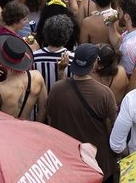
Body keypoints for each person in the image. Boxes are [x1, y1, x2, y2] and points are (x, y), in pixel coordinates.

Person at [46, 44, 119, 183]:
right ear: (94, 64)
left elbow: (50, 120)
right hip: (98, 164)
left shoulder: (56, 89)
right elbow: (112, 129)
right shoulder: (104, 94)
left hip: (67, 161)